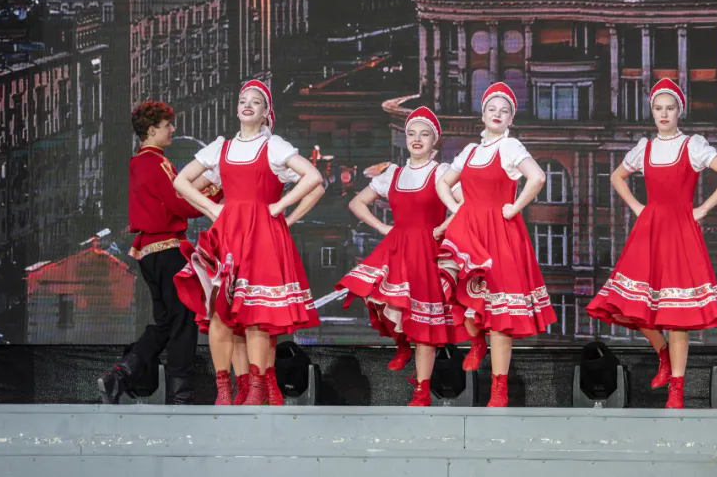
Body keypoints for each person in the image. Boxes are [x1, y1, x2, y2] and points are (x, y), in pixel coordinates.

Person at [586, 78, 717, 408]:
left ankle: (677, 389)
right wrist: (637, 207)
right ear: (652, 111)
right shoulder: (645, 147)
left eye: (670, 108)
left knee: (677, 314)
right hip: (650, 230)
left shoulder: (692, 145)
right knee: (634, 304)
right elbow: (616, 176)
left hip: (680, 232)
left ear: (679, 111)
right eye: (658, 108)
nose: (664, 114)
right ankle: (664, 356)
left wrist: (702, 209)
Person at [172, 80, 325, 406]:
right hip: (228, 235)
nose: (248, 105)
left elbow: (314, 178)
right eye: (243, 100)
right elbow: (181, 181)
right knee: (222, 313)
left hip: (261, 237)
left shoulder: (273, 147)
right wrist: (213, 209)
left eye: (255, 102)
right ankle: (227, 388)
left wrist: (281, 208)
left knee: (255, 312)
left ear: (266, 112)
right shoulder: (221, 148)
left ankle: (258, 385)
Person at [435, 82, 555, 407]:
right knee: (464, 295)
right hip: (469, 232)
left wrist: (515, 208)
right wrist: (458, 209)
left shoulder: (510, 146)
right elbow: (443, 183)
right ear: (483, 114)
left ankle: (499, 389)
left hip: (500, 234)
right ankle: (476, 343)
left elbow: (537, 177)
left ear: (511, 118)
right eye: (492, 109)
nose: (497, 114)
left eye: (504, 111)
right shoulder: (470, 151)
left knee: (501, 312)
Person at [98, 101, 224, 405]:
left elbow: (178, 193)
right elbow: (181, 201)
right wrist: (217, 190)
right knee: (183, 320)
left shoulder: (143, 162)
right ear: (152, 130)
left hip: (151, 254)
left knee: (167, 322)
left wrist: (212, 181)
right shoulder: (156, 162)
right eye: (167, 125)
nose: (172, 129)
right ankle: (180, 396)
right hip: (168, 250)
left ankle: (122, 374)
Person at [337, 107, 457, 406]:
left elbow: (466, 205)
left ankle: (422, 390)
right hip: (398, 247)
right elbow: (357, 202)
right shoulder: (393, 174)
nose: (417, 139)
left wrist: (442, 228)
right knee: (382, 299)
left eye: (424, 134)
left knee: (425, 322)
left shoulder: (442, 172)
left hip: (428, 250)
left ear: (435, 140)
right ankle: (402, 343)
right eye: (411, 133)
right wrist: (382, 227)